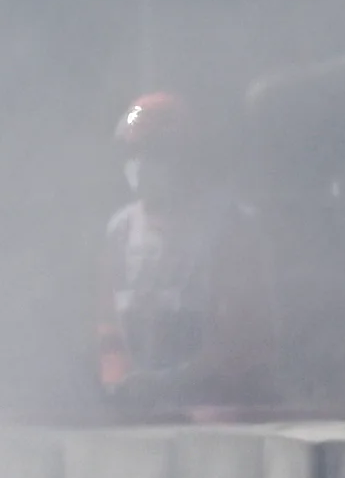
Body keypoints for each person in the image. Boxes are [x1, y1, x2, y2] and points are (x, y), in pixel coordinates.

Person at [96, 92, 274, 416]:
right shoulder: (120, 231)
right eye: (131, 153)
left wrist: (173, 382)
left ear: (184, 154)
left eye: (154, 152)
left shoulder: (229, 225)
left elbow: (241, 334)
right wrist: (118, 384)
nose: (140, 164)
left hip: (219, 408)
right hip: (142, 409)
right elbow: (109, 326)